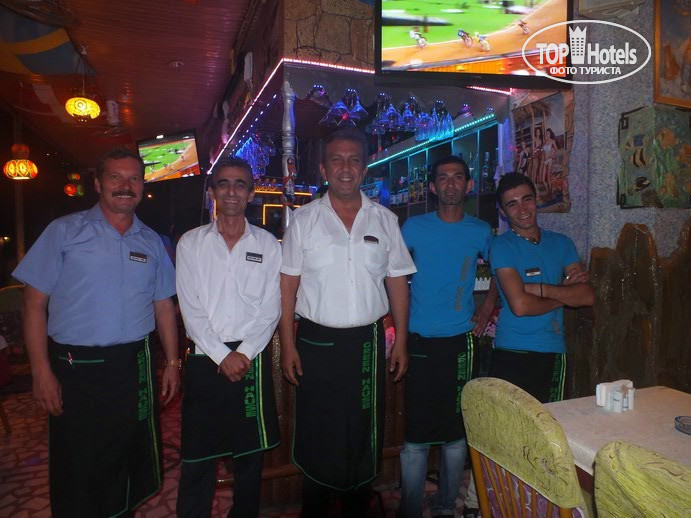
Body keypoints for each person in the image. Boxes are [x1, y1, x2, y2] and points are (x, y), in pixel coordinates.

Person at [13, 147, 179, 517]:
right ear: (98, 183)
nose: (125, 186)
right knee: (79, 461)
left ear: (143, 185)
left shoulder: (151, 241)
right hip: (77, 367)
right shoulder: (64, 231)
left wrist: (172, 362)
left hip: (134, 366)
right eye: (115, 177)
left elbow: (164, 305)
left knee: (129, 454)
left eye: (134, 178)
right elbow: (33, 305)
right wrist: (40, 372)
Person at [279, 128, 416, 517]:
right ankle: (316, 508)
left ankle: (358, 503)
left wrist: (402, 341)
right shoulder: (303, 220)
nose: (345, 167)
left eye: (353, 159)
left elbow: (398, 283)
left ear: (364, 168)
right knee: (318, 427)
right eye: (336, 160)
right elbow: (287, 288)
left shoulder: (385, 220)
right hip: (316, 344)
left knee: (363, 426)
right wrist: (287, 345)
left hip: (367, 344)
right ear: (324, 169)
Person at [175, 157, 280, 517]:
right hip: (206, 359)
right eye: (224, 183)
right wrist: (223, 355)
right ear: (212, 192)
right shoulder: (191, 243)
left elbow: (271, 308)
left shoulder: (268, 244)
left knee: (249, 460)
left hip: (251, 360)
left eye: (240, 184)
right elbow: (190, 310)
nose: (232, 191)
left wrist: (244, 353)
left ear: (251, 194)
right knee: (197, 459)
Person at [398, 156, 497, 518]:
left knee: (456, 432)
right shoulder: (413, 227)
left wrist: (487, 308)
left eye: (458, 178)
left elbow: (503, 270)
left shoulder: (481, 230)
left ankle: (445, 505)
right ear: (433, 186)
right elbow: (392, 275)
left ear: (468, 185)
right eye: (443, 178)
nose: (451, 184)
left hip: (460, 343)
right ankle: (409, 509)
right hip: (419, 341)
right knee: (416, 434)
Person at [490, 173, 594, 403]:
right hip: (513, 350)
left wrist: (540, 289)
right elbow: (520, 306)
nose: (522, 209)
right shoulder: (501, 246)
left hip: (554, 349)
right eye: (512, 204)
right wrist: (563, 293)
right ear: (503, 212)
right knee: (511, 423)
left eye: (526, 199)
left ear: (536, 199)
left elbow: (586, 296)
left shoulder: (562, 243)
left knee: (551, 421)